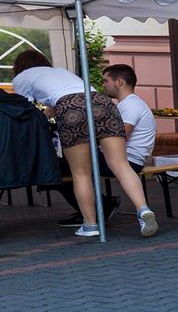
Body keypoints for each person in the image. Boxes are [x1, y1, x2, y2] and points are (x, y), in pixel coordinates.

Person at [10, 50, 158, 238]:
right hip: (102, 102)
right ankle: (143, 210)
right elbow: (68, 95)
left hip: (71, 108)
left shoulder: (21, 79)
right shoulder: (60, 72)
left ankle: (90, 224)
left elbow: (24, 111)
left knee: (81, 173)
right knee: (121, 165)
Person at [101, 64, 159, 173]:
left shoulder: (131, 104)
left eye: (106, 81)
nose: (103, 85)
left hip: (128, 162)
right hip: (124, 159)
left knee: (72, 160)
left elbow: (119, 137)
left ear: (119, 82)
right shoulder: (128, 103)